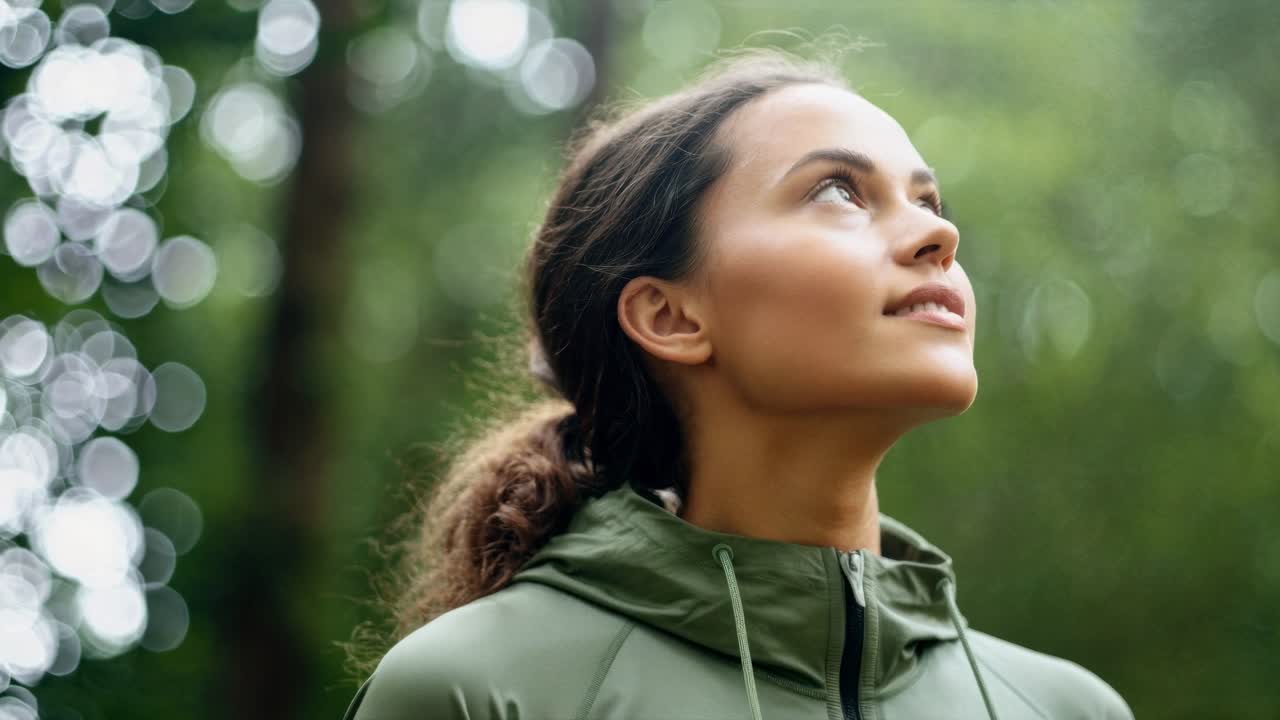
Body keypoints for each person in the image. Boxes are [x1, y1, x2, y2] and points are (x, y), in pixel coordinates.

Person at [341, 47, 1134, 720]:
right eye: (839, 191)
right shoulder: (476, 691)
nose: (940, 232)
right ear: (671, 317)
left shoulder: (1066, 707)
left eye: (928, 200)